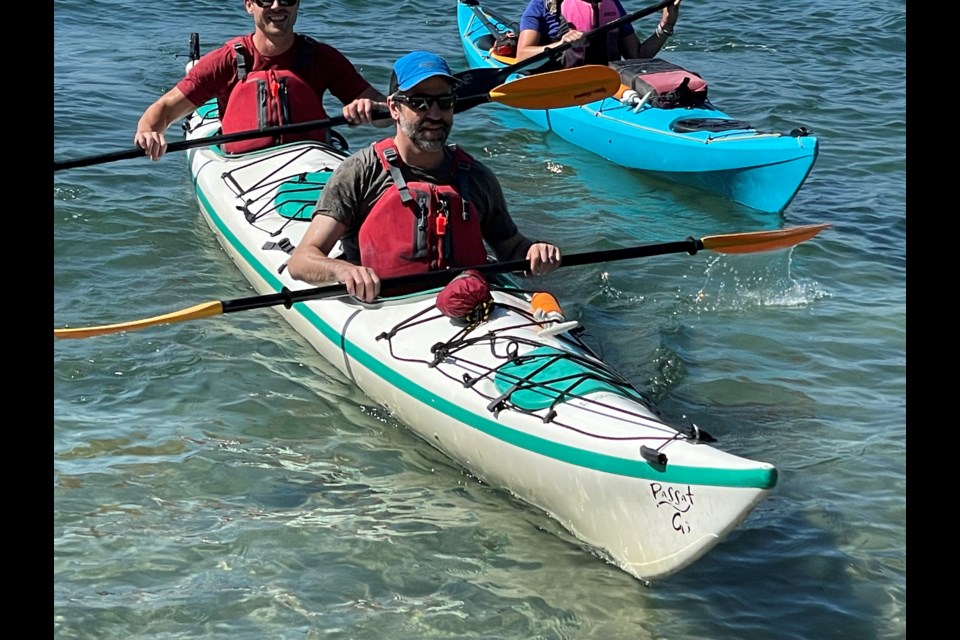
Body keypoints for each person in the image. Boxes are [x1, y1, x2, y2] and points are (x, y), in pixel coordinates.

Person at [287, 51, 562, 303]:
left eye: (444, 102)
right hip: (387, 308)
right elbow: (302, 261)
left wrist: (534, 252)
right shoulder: (359, 173)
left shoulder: (477, 177)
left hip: (465, 305)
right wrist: (342, 270)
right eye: (419, 102)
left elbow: (511, 248)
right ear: (394, 108)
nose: (434, 114)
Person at [134, 0, 389, 160]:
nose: (277, 6)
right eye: (265, 0)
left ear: (297, 4)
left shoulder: (322, 57)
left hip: (311, 157)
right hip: (243, 163)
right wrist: (148, 132)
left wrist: (373, 109)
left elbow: (388, 114)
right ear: (249, 5)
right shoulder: (227, 60)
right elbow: (165, 109)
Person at [515, 0, 682, 69]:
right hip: (561, 83)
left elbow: (638, 55)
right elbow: (522, 56)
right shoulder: (542, 6)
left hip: (607, 84)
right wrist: (561, 43)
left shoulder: (611, 5)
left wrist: (666, 24)